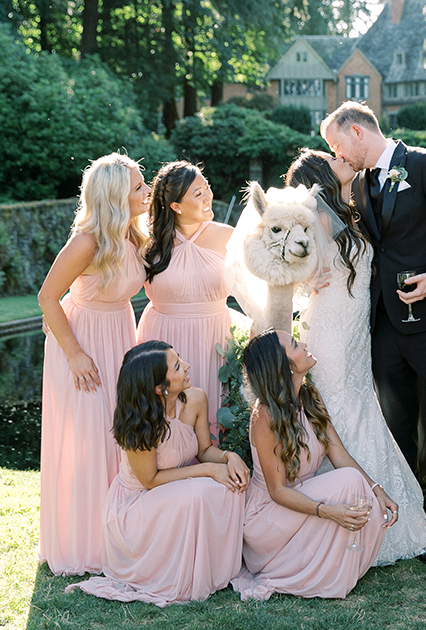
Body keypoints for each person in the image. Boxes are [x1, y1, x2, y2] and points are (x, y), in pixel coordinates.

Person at [321, 101, 426, 562]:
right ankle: (408, 516)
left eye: (336, 145)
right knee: (394, 423)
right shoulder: (361, 182)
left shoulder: (425, 164)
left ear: (356, 131)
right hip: (384, 322)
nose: (337, 155)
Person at [285, 149, 426, 565]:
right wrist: (305, 280)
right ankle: (342, 516)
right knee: (337, 407)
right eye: (333, 159)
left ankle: (376, 511)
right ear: (321, 176)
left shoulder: (351, 210)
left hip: (356, 330)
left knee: (360, 405)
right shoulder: (312, 217)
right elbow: (289, 268)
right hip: (330, 328)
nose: (343, 160)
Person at [66, 341, 249, 606]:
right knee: (197, 493)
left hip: (177, 489)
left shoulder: (195, 398)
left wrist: (229, 457)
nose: (186, 366)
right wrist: (208, 470)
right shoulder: (139, 421)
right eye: (177, 366)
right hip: (138, 504)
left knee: (229, 484)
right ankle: (179, 575)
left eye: (180, 360)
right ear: (159, 387)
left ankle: (216, 572)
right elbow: (149, 480)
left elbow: (205, 449)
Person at [38, 153, 150, 575]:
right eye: (139, 187)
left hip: (120, 333)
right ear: (116, 196)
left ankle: (117, 534)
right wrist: (75, 354)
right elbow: (48, 297)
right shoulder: (86, 241)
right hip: (82, 340)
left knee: (115, 436)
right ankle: (82, 543)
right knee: (87, 439)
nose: (146, 192)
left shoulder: (134, 235)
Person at [231, 329, 397, 601]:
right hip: (268, 515)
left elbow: (340, 455)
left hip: (299, 499)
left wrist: (378, 490)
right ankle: (295, 568)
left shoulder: (309, 395)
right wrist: (327, 511)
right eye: (295, 344)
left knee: (361, 491)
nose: (304, 344)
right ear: (284, 366)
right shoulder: (264, 416)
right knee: (348, 483)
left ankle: (328, 569)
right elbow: (277, 491)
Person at [137, 161, 250, 446]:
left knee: (215, 412)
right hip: (162, 338)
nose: (208, 196)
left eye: (207, 188)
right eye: (198, 194)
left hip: (215, 337)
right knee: (163, 419)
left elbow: (264, 275)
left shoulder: (227, 236)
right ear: (176, 206)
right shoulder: (147, 243)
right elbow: (112, 279)